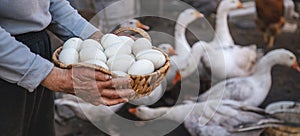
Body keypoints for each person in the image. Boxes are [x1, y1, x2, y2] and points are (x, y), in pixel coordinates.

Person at [0, 0, 135, 135]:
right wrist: (57, 77)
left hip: (36, 51)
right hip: (9, 61)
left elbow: (50, 3)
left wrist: (97, 40)